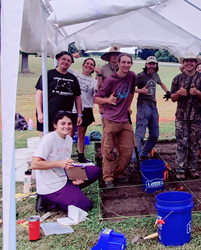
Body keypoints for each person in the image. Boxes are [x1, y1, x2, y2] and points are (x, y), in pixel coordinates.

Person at [31, 111, 101, 212]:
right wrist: (59, 163)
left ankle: (71, 189)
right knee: (85, 205)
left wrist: (74, 177)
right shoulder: (48, 140)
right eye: (62, 123)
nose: (66, 126)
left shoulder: (68, 139)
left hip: (64, 177)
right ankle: (48, 201)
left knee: (95, 170)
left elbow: (65, 163)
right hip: (51, 185)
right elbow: (34, 164)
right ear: (55, 125)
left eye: (69, 124)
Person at [93, 53, 136, 188]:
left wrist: (128, 106)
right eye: (123, 62)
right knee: (108, 149)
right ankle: (108, 177)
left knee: (128, 150)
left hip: (124, 120)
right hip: (110, 119)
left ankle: (117, 173)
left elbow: (131, 92)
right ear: (118, 63)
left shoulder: (132, 76)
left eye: (128, 62)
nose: (126, 65)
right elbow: (95, 98)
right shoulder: (110, 80)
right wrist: (107, 100)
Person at [170, 52, 201, 179]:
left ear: (196, 63)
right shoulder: (177, 78)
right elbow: (172, 98)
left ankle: (192, 168)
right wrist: (178, 93)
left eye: (192, 61)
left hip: (197, 117)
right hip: (181, 117)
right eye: (186, 61)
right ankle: (180, 169)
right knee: (181, 143)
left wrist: (198, 93)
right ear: (183, 63)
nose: (189, 63)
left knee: (194, 143)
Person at [34, 51, 82, 136]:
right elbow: (39, 93)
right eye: (64, 59)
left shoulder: (73, 78)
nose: (66, 62)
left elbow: (77, 98)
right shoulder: (48, 74)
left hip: (65, 118)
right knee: (46, 142)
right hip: (48, 115)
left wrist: (79, 114)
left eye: (68, 61)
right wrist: (40, 113)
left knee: (62, 144)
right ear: (58, 59)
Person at [134, 56, 170, 162]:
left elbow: (161, 82)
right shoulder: (140, 76)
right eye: (150, 64)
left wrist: (167, 92)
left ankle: (144, 153)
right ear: (146, 65)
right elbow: (130, 88)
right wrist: (141, 91)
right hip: (143, 106)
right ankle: (135, 159)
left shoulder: (155, 75)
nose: (152, 66)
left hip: (153, 106)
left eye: (153, 64)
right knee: (140, 134)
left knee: (154, 134)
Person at [70, 58, 98, 162]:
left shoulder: (94, 81)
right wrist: (73, 55)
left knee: (81, 134)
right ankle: (67, 155)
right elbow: (63, 63)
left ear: (93, 68)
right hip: (73, 108)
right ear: (83, 65)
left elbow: (98, 90)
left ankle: (81, 155)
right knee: (70, 134)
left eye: (91, 64)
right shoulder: (75, 74)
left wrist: (99, 75)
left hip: (86, 108)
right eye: (87, 63)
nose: (89, 65)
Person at [95, 45, 122, 116]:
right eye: (113, 54)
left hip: (119, 103)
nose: (115, 57)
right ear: (109, 56)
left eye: (117, 55)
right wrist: (100, 106)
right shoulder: (102, 69)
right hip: (106, 103)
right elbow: (98, 88)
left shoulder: (123, 70)